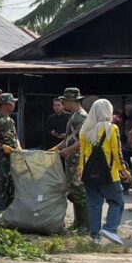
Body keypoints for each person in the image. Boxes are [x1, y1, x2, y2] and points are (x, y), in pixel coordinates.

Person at [78, 99, 130, 245]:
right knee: (117, 202)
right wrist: (124, 170)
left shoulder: (85, 129)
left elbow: (82, 153)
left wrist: (80, 171)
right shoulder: (111, 128)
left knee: (94, 204)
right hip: (109, 174)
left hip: (88, 174)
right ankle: (110, 229)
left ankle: (95, 237)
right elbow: (117, 152)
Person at [52, 87, 88, 231]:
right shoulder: (73, 116)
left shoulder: (82, 117)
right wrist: (56, 149)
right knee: (73, 190)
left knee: (80, 189)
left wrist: (67, 150)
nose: (63, 103)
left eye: (65, 101)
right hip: (71, 159)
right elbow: (69, 139)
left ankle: (85, 224)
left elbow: (83, 141)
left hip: (78, 159)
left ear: (72, 101)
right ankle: (78, 222)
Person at [0, 93, 21, 224]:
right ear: (6, 104)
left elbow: (14, 137)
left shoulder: (10, 120)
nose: (14, 105)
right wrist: (1, 146)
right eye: (12, 102)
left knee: (11, 184)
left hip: (11, 157)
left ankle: (9, 213)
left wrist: (19, 148)